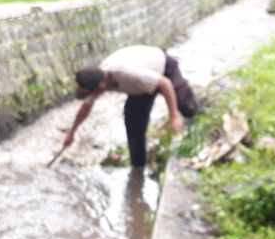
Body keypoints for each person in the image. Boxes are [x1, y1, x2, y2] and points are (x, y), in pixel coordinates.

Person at [64, 45, 199, 168]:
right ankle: (138, 167)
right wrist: (71, 133)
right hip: (139, 89)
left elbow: (165, 84)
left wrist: (173, 117)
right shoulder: (97, 79)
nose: (93, 95)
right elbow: (86, 106)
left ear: (102, 86)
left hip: (163, 68)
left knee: (188, 108)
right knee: (134, 128)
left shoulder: (128, 74)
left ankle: (198, 112)